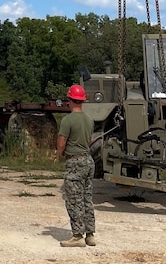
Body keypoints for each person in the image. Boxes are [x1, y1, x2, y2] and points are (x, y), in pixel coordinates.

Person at [57, 84, 96, 248]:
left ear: (70, 100)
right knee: (87, 198)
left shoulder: (67, 120)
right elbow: (88, 141)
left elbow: (61, 142)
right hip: (88, 161)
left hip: (75, 162)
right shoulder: (89, 119)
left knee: (74, 199)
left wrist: (60, 154)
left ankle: (78, 236)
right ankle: (90, 235)